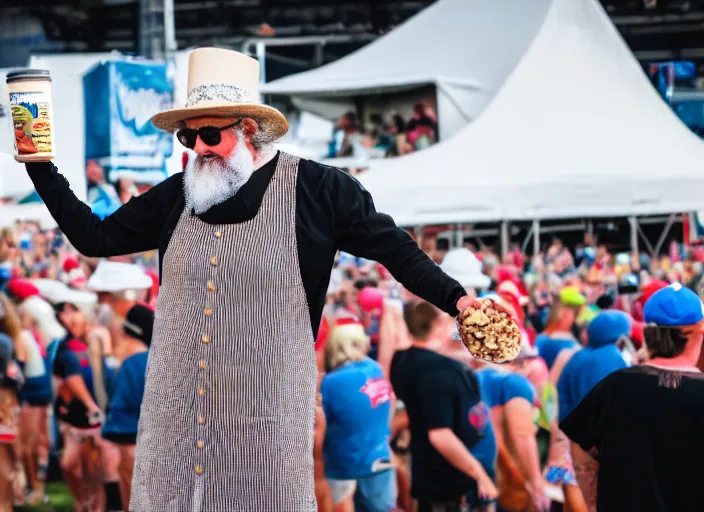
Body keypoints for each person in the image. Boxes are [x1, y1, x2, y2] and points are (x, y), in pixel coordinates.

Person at [25, 48, 479, 510]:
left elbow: (396, 251)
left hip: (266, 423)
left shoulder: (320, 190)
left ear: (247, 129)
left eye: (208, 133)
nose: (198, 148)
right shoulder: (177, 197)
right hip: (178, 427)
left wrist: (457, 300)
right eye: (188, 137)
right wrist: (40, 166)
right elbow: (94, 236)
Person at [561, 283, 704, 511]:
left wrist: (593, 499)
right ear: (699, 334)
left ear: (647, 333)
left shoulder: (615, 386)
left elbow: (579, 442)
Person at [390, 301, 497, 512]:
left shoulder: (402, 360)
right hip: (448, 487)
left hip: (428, 477)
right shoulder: (439, 372)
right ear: (437, 325)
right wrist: (479, 474)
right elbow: (440, 435)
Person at [321, 317, 396, 512]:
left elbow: (320, 425)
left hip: (346, 467)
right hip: (381, 460)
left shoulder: (331, 382)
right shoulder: (374, 368)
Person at [101, 304, 154, 512]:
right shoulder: (153, 359)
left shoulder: (129, 363)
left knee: (131, 500)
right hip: (154, 440)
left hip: (130, 438)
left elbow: (119, 407)